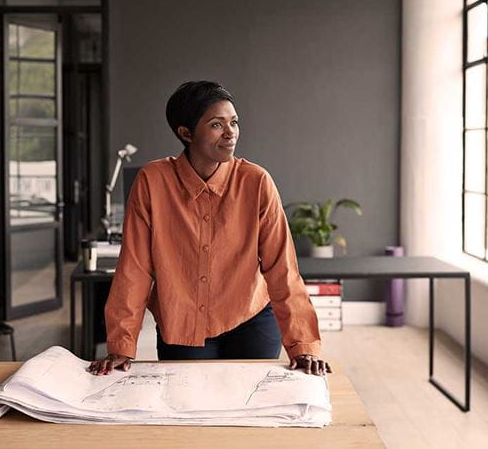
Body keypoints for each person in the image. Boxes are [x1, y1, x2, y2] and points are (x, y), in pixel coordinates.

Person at [88, 81, 325, 376]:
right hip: (182, 322)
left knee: (249, 410)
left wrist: (303, 344)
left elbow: (282, 269)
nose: (231, 133)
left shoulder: (257, 182)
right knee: (189, 411)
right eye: (217, 124)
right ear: (185, 133)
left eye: (234, 122)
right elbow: (134, 268)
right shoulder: (152, 182)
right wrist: (121, 346)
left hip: (250, 319)